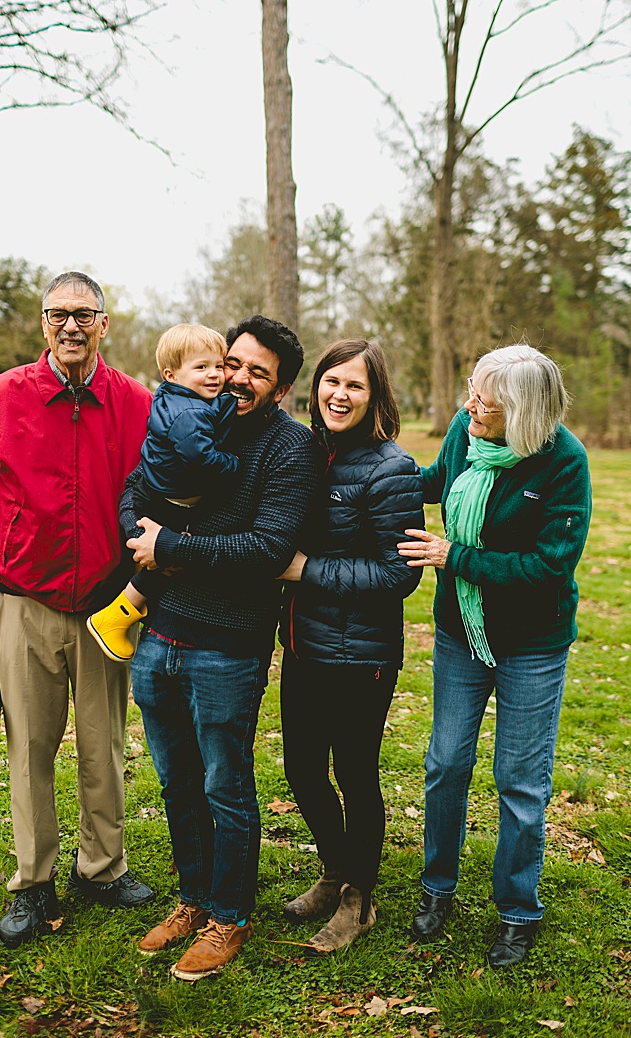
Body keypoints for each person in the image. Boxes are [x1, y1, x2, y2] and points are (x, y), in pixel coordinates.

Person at [0, 271, 155, 949]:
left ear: (104, 323)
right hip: (23, 601)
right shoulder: (4, 397)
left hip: (107, 604)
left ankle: (101, 868)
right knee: (29, 748)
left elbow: (160, 494)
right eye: (58, 314)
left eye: (84, 315)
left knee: (105, 746)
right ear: (44, 323)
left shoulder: (133, 402)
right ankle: (34, 883)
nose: (72, 326)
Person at [124, 314, 318, 981]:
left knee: (224, 787)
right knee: (178, 781)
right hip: (159, 638)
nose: (236, 377)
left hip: (227, 648)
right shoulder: (193, 415)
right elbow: (135, 487)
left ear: (282, 388)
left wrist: (171, 547)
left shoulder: (290, 449)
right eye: (232, 362)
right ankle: (192, 897)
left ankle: (229, 916)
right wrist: (138, 536)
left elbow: (268, 549)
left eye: (256, 372)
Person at [397, 345, 591, 969]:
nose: (468, 406)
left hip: (532, 642)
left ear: (526, 411)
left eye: (485, 399)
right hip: (461, 632)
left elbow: (548, 565)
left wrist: (455, 557)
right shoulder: (465, 430)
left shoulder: (564, 462)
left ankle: (516, 910)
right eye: (471, 390)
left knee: (520, 783)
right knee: (445, 763)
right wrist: (370, 472)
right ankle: (437, 887)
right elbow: (433, 480)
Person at [275, 339, 424, 951]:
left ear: (375, 395)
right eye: (331, 382)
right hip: (304, 646)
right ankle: (334, 873)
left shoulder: (393, 469)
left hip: (362, 655)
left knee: (354, 774)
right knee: (302, 770)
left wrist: (305, 570)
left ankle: (359, 898)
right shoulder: (312, 455)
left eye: (355, 386)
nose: (339, 394)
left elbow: (399, 574)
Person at [86, 323, 238, 661]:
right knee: (170, 562)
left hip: (157, 492)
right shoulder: (189, 412)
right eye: (201, 367)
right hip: (171, 502)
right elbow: (203, 458)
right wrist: (233, 464)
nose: (214, 375)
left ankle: (116, 613)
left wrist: (228, 402)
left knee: (165, 560)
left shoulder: (178, 398)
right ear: (171, 373)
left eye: (218, 365)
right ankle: (113, 617)